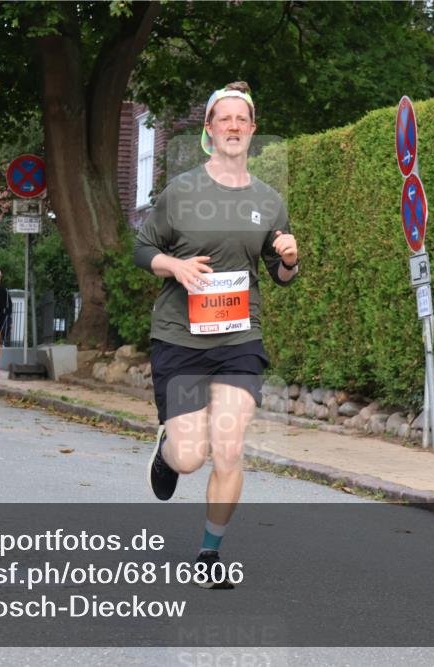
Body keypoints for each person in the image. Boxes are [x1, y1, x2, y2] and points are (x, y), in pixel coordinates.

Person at [133, 81, 300, 588]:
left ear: (252, 129)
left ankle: (209, 553)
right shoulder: (182, 191)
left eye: (241, 119)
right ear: (209, 129)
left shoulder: (268, 200)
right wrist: (175, 267)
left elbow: (280, 274)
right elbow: (143, 249)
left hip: (238, 340)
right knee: (191, 457)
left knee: (228, 449)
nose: (233, 126)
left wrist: (290, 260)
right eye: (223, 118)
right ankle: (168, 448)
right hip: (180, 338)